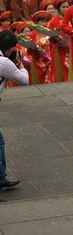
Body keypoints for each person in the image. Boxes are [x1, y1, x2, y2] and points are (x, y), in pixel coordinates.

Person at [0, 31, 29, 194]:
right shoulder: (4, 62)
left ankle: (1, 178)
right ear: (10, 50)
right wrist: (20, 63)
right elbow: (24, 80)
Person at [47, 0, 71, 82]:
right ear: (58, 8)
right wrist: (57, 39)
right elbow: (49, 37)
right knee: (60, 72)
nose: (66, 9)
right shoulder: (53, 21)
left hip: (71, 49)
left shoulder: (72, 19)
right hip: (59, 51)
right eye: (63, 7)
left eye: (67, 7)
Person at [27, 10, 54, 84]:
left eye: (45, 22)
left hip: (48, 61)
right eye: (41, 22)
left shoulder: (49, 33)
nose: (43, 24)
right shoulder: (32, 34)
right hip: (36, 61)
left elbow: (53, 46)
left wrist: (49, 56)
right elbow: (28, 49)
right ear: (37, 23)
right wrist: (36, 50)